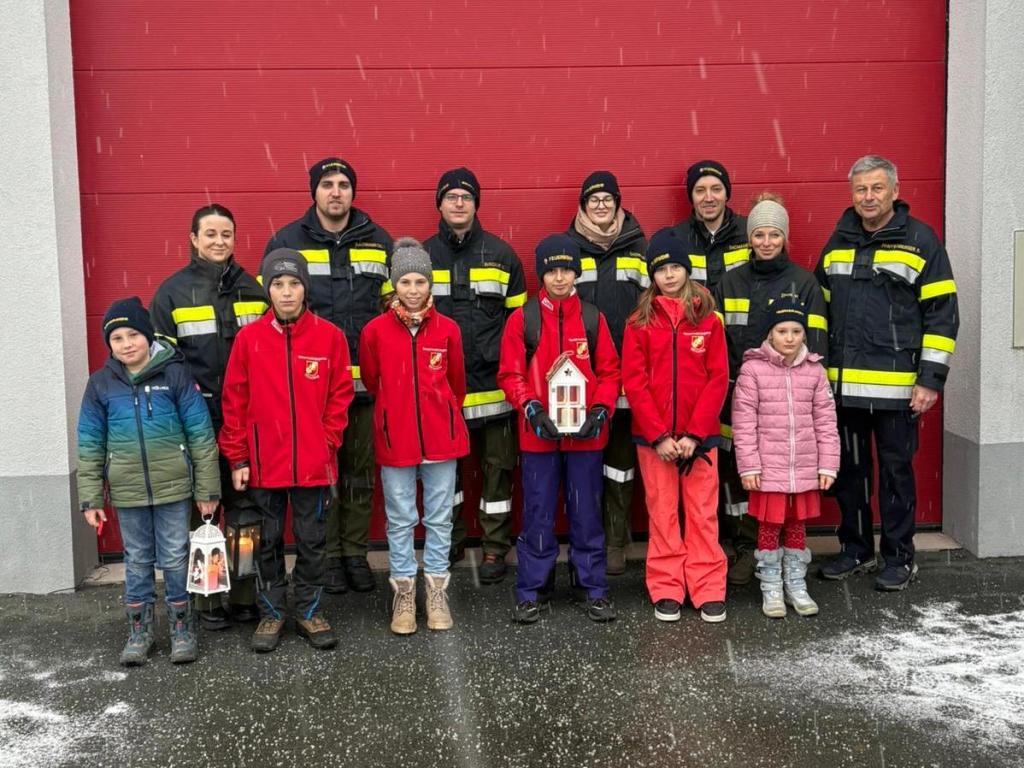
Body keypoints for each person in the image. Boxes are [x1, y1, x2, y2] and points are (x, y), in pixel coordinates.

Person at [815, 155, 959, 590]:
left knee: (897, 475)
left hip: (898, 390)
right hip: (845, 389)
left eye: (877, 188)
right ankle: (856, 550)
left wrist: (929, 380)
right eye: (860, 189)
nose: (868, 197)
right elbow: (818, 309)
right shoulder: (838, 240)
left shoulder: (921, 242)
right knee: (850, 475)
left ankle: (899, 557)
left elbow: (942, 315)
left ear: (895, 191)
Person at [265, 157, 391, 594]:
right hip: (309, 388)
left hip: (367, 384)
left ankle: (354, 552)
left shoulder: (379, 242)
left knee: (359, 473)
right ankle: (328, 558)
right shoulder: (286, 242)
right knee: (321, 474)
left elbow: (392, 310)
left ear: (353, 192)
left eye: (343, 184)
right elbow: (273, 315)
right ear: (314, 192)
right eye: (327, 185)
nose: (336, 192)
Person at [219, 249, 355, 652]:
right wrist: (238, 457)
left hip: (314, 464)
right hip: (265, 465)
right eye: (278, 284)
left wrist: (327, 441)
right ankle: (272, 612)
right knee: (268, 541)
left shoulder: (329, 337)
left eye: (294, 283)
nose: (287, 292)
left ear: (305, 288)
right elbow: (234, 401)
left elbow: (340, 395)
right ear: (268, 289)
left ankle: (309, 610)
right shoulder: (249, 340)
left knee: (313, 541)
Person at [77, 297, 221, 666]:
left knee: (175, 557)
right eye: (117, 338)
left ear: (148, 336)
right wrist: (92, 498)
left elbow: (200, 434)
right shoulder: (100, 384)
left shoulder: (175, 375)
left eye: (133, 335)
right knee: (137, 559)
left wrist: (207, 489)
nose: (126, 344)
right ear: (109, 344)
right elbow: (90, 443)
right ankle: (139, 631)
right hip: (128, 492)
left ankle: (181, 628)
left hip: (174, 488)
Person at [150, 203, 268, 630]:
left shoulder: (254, 291)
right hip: (195, 423)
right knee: (201, 514)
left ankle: (244, 597)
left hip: (244, 421)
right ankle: (206, 600)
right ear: (194, 239)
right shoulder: (171, 293)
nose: (219, 241)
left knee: (245, 515)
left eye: (226, 234)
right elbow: (161, 365)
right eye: (211, 234)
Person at [498, 233, 621, 624]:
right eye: (552, 271)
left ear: (576, 273)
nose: (560, 278)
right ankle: (533, 588)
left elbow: (610, 372)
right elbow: (510, 373)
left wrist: (600, 410)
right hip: (538, 437)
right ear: (542, 274)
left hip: (586, 438)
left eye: (567, 270)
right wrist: (531, 407)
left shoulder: (592, 318)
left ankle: (592, 586)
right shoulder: (524, 318)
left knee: (586, 513)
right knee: (538, 512)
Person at [711, 194, 829, 587]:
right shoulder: (729, 282)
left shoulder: (804, 283)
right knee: (738, 475)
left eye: (774, 235)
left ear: (785, 238)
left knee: (779, 483)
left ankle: (779, 556)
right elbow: (715, 344)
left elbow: (817, 347)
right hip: (737, 398)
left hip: (787, 407)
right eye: (759, 234)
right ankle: (746, 547)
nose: (766, 242)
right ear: (749, 238)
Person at [360, 238, 470, 634]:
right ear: (394, 284)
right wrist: (396, 414)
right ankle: (404, 593)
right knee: (401, 518)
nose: (412, 289)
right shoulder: (374, 332)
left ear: (430, 284)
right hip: (397, 440)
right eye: (405, 281)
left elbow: (456, 384)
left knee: (440, 518)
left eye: (420, 281)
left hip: (442, 439)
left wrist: (442, 415)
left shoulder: (448, 329)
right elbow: (372, 380)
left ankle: (436, 590)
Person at [621, 228, 730, 623]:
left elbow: (718, 378)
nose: (668, 275)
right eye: (660, 269)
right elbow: (634, 381)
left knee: (702, 513)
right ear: (652, 275)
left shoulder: (708, 319)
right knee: (663, 513)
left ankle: (707, 586)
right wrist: (659, 436)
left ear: (687, 270)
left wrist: (695, 434)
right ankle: (667, 586)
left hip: (699, 441)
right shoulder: (639, 321)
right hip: (656, 442)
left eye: (675, 267)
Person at [424, 168, 526, 583]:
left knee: (497, 470)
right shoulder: (422, 257)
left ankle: (495, 548)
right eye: (451, 196)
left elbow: (519, 329)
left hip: (494, 389)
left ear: (476, 204)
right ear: (440, 204)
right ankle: (447, 543)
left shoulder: (502, 256)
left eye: (466, 197)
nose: (459, 203)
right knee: (443, 476)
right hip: (440, 390)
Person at [730, 296, 840, 618]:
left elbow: (826, 422)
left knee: (796, 526)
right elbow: (744, 423)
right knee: (768, 527)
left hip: (804, 468)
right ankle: (771, 586)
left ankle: (795, 583)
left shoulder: (815, 371)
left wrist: (828, 464)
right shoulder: (753, 371)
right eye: (782, 331)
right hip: (768, 470)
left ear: (804, 334)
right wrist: (749, 466)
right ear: (769, 334)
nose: (789, 338)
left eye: (796, 331)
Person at [566, 170, 647, 575]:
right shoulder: (567, 249)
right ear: (583, 206)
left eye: (607, 199)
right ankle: (587, 542)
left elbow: (654, 308)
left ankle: (615, 541)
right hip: (581, 378)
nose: (601, 205)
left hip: (628, 375)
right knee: (583, 464)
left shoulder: (640, 249)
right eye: (593, 199)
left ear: (618, 204)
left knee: (619, 465)